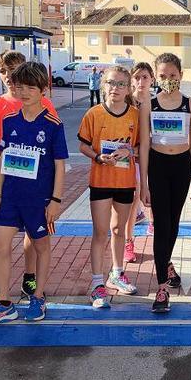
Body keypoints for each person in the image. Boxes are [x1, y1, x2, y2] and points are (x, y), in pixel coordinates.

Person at [0, 62, 68, 326]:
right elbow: (5, 158)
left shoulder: (52, 124)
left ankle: (38, 296)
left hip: (39, 200)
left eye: (31, 87)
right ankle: (4, 303)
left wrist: (56, 200)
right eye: (19, 87)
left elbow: (60, 165)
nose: (24, 92)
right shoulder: (9, 120)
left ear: (43, 90)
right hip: (11, 197)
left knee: (41, 246)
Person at [139, 53, 191, 313]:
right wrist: (143, 183)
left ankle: (165, 263)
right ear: (156, 77)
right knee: (161, 225)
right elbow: (143, 144)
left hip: (180, 168)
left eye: (172, 76)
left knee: (173, 224)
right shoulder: (148, 105)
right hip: (157, 166)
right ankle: (162, 287)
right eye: (162, 76)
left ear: (181, 75)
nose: (168, 80)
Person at [78, 66, 140, 308]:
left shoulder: (135, 115)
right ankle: (97, 283)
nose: (115, 88)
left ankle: (117, 272)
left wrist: (129, 151)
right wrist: (97, 157)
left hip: (125, 183)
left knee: (119, 230)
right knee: (100, 231)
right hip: (101, 181)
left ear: (128, 88)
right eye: (111, 83)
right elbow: (83, 145)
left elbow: (141, 147)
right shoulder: (94, 114)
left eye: (121, 84)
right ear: (103, 85)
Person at [123, 62, 154, 263]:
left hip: (155, 158)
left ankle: (153, 222)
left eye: (145, 77)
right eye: (137, 77)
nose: (141, 81)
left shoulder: (158, 102)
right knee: (133, 201)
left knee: (154, 196)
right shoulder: (127, 103)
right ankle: (128, 242)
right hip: (132, 160)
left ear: (152, 79)